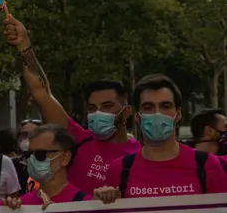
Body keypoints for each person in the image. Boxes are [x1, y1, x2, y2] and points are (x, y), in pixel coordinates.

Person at [4, 15, 140, 193]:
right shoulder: (77, 140)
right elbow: (41, 93)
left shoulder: (141, 155)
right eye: (92, 108)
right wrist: (24, 46)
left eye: (107, 106)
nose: (98, 113)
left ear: (127, 111)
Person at [95, 74, 227, 203]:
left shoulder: (207, 165)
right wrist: (100, 201)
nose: (157, 113)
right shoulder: (119, 169)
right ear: (137, 117)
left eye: (166, 106)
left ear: (178, 113)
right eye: (148, 107)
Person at [4, 124, 90, 210]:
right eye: (29, 154)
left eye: (40, 154)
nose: (32, 159)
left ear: (65, 158)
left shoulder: (87, 205)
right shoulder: (21, 205)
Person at [14, 119, 41, 193]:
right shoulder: (11, 165)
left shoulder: (50, 164)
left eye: (33, 134)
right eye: (24, 134)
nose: (28, 138)